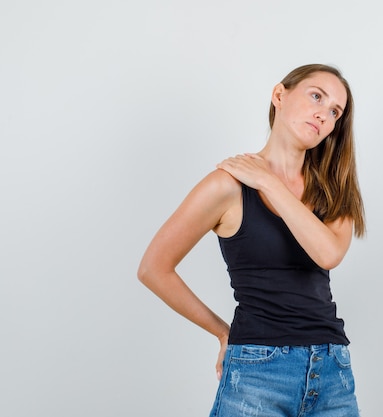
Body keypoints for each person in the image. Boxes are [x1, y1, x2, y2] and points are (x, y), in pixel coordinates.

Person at [137, 63, 365, 416]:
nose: (324, 113)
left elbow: (328, 253)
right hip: (257, 371)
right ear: (279, 95)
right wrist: (221, 332)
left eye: (335, 111)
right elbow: (154, 268)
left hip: (332, 372)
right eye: (316, 96)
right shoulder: (227, 185)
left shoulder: (334, 190)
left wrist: (270, 181)